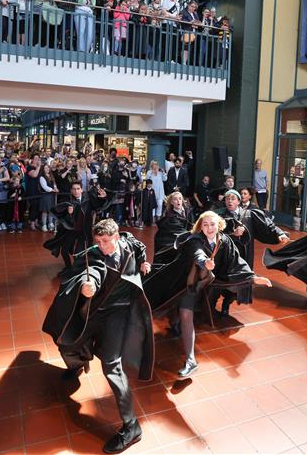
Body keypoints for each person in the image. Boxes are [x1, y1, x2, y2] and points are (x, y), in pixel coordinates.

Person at [42, 219, 153, 454]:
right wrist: (88, 285)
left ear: (117, 237)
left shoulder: (130, 244)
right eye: (98, 241)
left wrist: (144, 263)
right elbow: (93, 270)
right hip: (94, 310)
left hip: (119, 313)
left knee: (112, 364)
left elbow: (139, 247)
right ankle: (77, 364)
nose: (102, 246)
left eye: (106, 241)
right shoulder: (92, 255)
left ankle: (132, 426)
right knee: (67, 342)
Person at [143, 211, 272, 378]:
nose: (209, 228)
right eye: (205, 225)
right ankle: (190, 360)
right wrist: (205, 262)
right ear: (200, 227)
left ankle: (178, 329)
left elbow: (235, 262)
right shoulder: (195, 240)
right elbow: (197, 253)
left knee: (187, 312)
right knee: (184, 312)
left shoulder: (225, 241)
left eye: (212, 224)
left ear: (219, 225)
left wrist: (253, 278)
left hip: (204, 284)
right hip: (185, 282)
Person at [44, 181, 109, 275]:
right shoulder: (68, 201)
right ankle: (68, 268)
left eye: (78, 189)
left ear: (82, 190)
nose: (76, 191)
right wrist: (69, 213)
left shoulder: (88, 199)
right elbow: (63, 218)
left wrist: (103, 198)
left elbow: (98, 206)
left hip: (84, 231)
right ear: (71, 190)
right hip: (72, 231)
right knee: (64, 251)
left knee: (80, 253)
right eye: (74, 189)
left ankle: (79, 270)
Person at [153, 191, 194, 259]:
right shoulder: (170, 217)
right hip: (175, 242)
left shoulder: (189, 211)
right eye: (175, 199)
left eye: (180, 198)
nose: (178, 201)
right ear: (172, 202)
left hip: (186, 240)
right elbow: (180, 232)